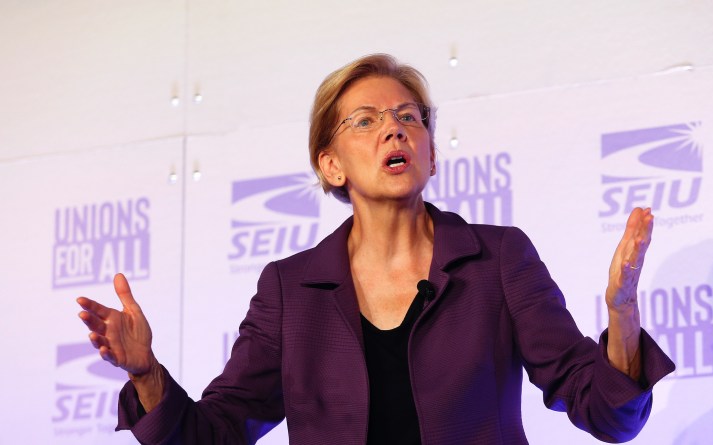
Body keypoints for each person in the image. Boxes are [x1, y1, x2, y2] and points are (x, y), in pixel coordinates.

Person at [77, 54, 675, 445]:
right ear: (330, 165)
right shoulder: (291, 291)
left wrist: (621, 314)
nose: (394, 129)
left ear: (432, 152)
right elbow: (215, 432)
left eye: (408, 117)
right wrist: (147, 374)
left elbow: (609, 414)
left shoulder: (498, 261)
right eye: (365, 120)